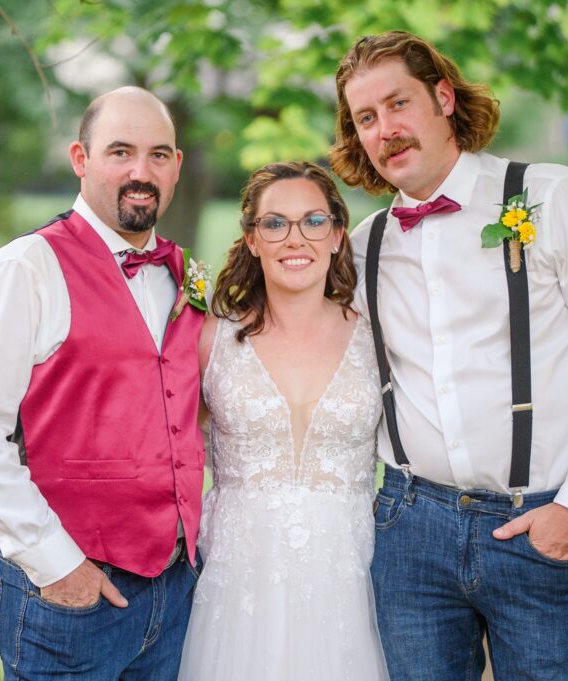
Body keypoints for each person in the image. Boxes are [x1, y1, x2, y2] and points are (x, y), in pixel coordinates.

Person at [331, 31, 568, 680]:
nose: (385, 129)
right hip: (408, 531)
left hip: (537, 523)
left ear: (444, 97)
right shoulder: (365, 246)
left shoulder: (551, 198)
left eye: (398, 104)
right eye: (365, 118)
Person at [0, 86, 205, 681]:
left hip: (178, 594)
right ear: (80, 160)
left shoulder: (190, 276)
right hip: (72, 601)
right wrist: (56, 565)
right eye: (120, 152)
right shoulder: (23, 270)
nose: (142, 172)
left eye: (159, 155)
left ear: (177, 166)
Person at [177, 161, 389, 681]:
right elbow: (171, 450)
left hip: (348, 582)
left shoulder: (379, 338)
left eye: (313, 222)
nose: (296, 239)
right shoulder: (210, 340)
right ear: (252, 239)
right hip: (238, 588)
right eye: (275, 224)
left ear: (338, 235)